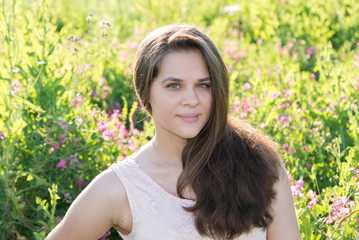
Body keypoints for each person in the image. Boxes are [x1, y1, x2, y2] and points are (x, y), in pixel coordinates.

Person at [46, 24, 301, 240]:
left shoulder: (260, 163)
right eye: (174, 85)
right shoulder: (120, 188)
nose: (191, 99)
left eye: (203, 85)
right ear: (145, 93)